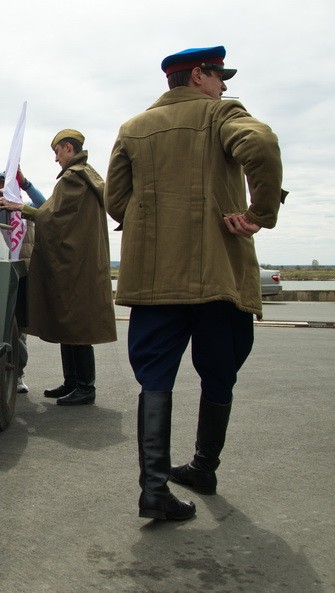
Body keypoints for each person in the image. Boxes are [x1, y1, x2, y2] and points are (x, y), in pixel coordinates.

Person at [105, 46, 286, 521]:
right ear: (200, 76)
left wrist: (151, 224)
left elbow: (116, 200)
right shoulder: (220, 113)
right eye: (219, 75)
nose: (224, 85)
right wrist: (258, 215)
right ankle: (204, 467)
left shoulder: (132, 128)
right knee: (220, 370)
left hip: (153, 278)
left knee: (154, 376)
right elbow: (262, 146)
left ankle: (154, 490)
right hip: (216, 277)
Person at [0, 130, 116, 406]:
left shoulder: (75, 178)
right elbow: (50, 208)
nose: (56, 159)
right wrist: (24, 187)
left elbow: (51, 215)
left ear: (69, 148)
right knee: (68, 323)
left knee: (76, 326)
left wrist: (19, 207)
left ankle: (85, 387)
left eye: (57, 152)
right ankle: (72, 382)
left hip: (76, 265)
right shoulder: (82, 175)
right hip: (77, 263)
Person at [0, 169, 46, 394]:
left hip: (23, 275)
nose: (2, 189)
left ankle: (18, 373)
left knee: (19, 330)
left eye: (7, 185)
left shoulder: (25, 208)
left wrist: (26, 186)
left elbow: (45, 206)